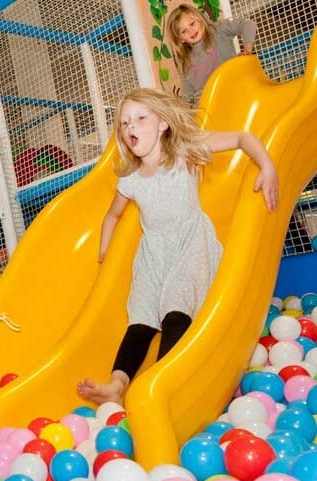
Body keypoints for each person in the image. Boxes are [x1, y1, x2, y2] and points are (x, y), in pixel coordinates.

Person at [77, 88, 277, 405]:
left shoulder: (184, 154)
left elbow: (243, 138)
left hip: (190, 245)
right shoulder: (131, 179)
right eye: (125, 122)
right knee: (140, 317)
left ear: (163, 124)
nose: (131, 127)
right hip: (153, 255)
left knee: (176, 304)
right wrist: (104, 250)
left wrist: (267, 167)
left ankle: (166, 381)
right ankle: (117, 384)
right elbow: (112, 216)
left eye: (140, 118)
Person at [167, 4, 257, 104]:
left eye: (192, 24)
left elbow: (248, 24)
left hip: (233, 91)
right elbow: (188, 94)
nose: (191, 31)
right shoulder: (185, 61)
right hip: (208, 105)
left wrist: (247, 50)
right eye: (184, 31)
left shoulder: (218, 31)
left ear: (199, 19)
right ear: (180, 39)